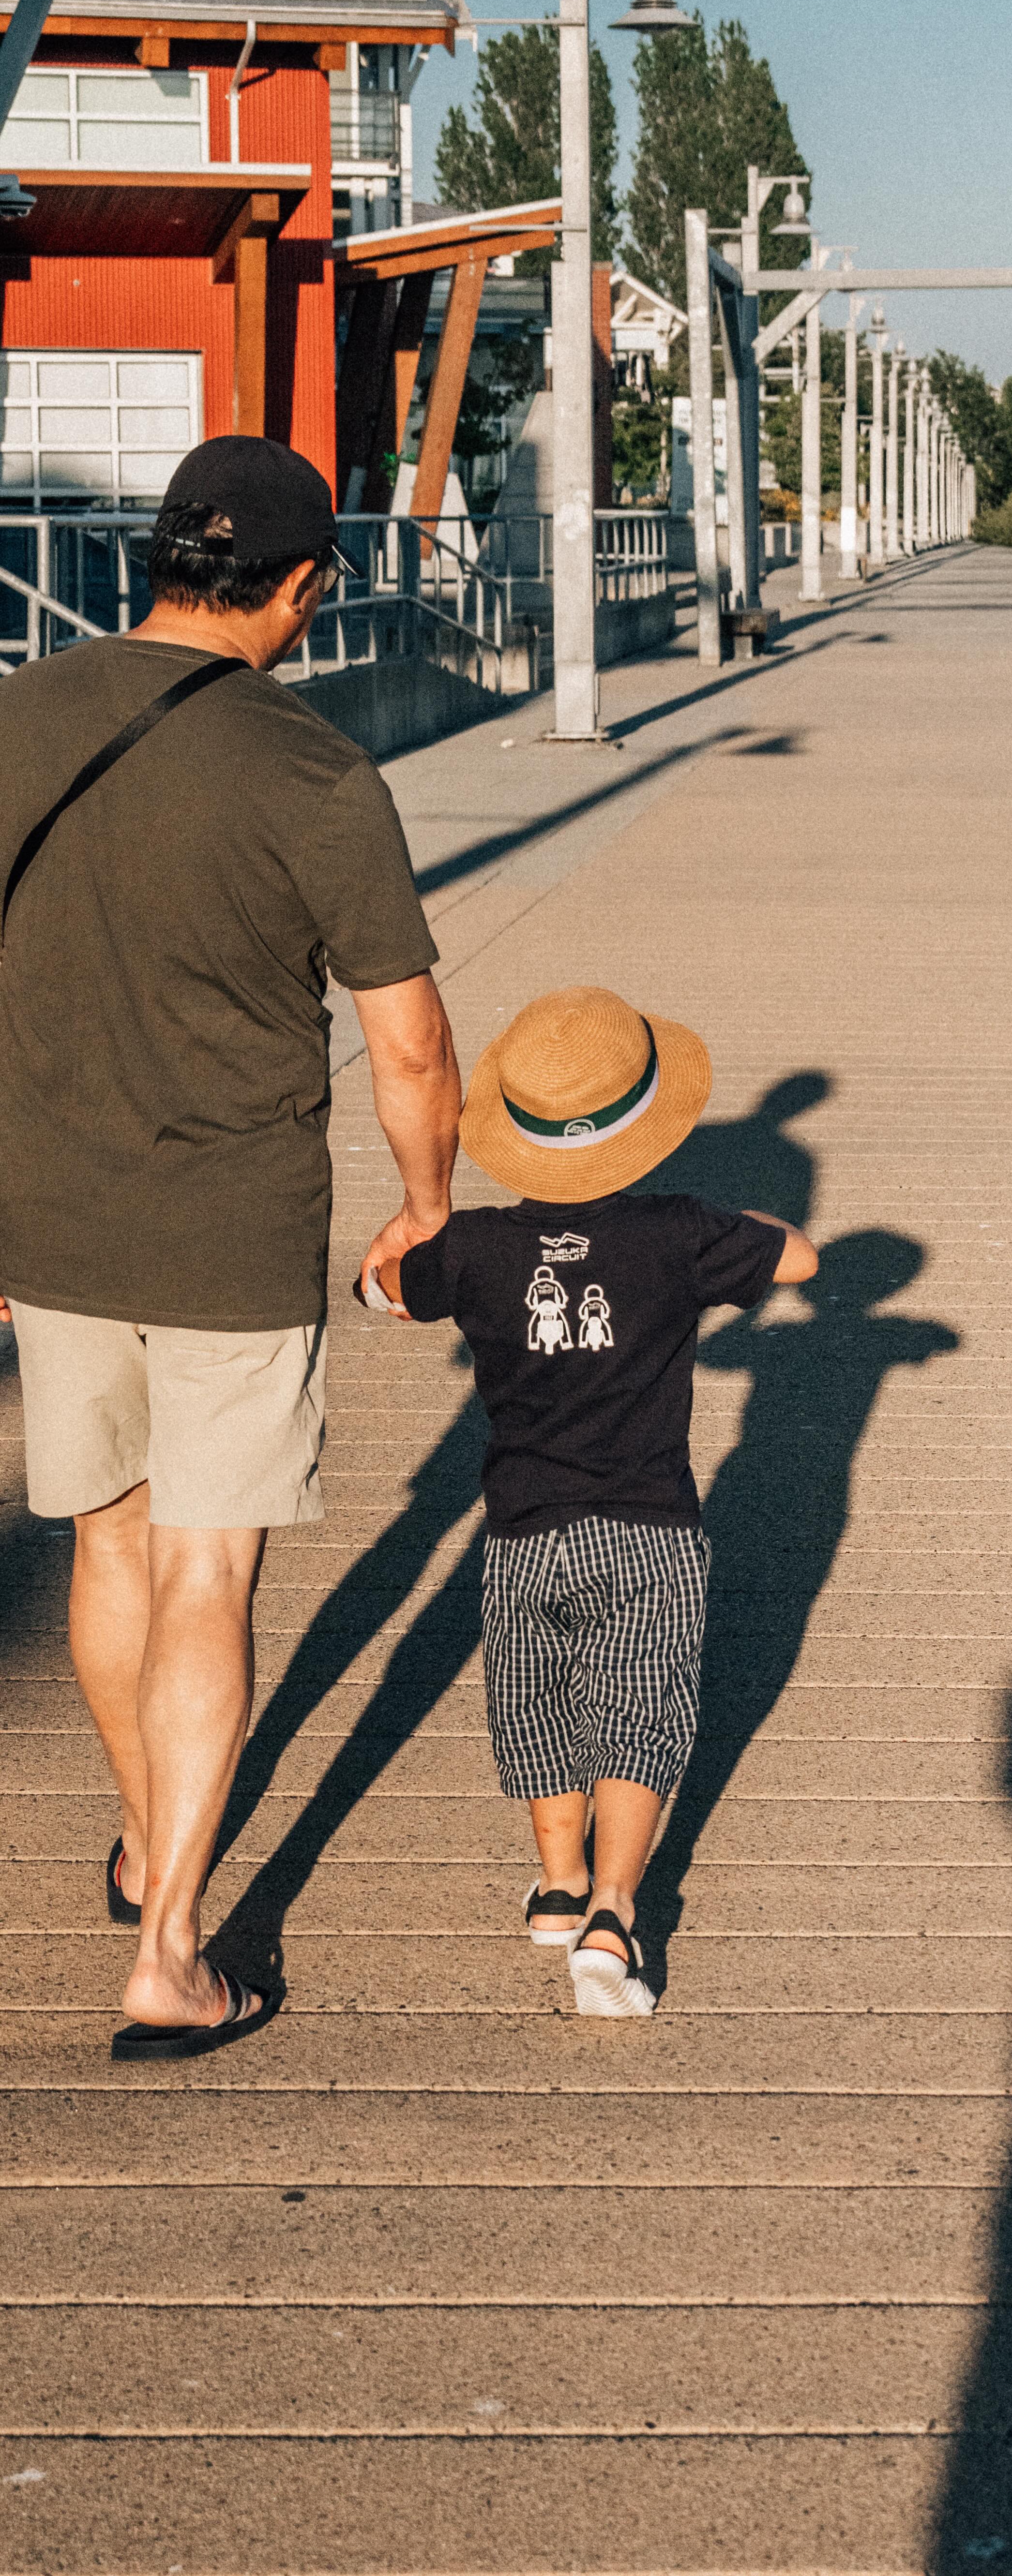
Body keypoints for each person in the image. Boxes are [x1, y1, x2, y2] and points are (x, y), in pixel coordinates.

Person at [0, 435, 461, 2063]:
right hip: (232, 1233)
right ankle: (175, 1946)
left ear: (150, 561)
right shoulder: (314, 771)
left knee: (111, 1550)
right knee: (210, 1564)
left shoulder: (18, 714)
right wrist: (425, 1207)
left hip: (45, 1221)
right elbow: (406, 1045)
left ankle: (144, 1844)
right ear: (300, 587)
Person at [376, 982, 815, 2016]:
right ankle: (617, 1907)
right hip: (649, 1528)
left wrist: (398, 1261)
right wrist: (737, 1226)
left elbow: (390, 1288)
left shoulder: (476, 1247)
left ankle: (559, 1884)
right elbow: (800, 1255)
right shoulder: (679, 1232)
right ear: (646, 1134)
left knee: (535, 1709)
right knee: (639, 1713)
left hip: (522, 1533)